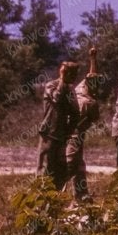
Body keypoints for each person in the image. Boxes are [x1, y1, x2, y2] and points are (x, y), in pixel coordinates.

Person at [39, 60, 82, 191]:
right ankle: (40, 202)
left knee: (61, 170)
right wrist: (63, 80)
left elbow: (75, 113)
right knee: (45, 170)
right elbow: (57, 98)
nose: (74, 78)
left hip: (61, 136)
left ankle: (54, 200)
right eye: (71, 75)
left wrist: (68, 131)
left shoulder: (70, 91)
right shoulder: (51, 85)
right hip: (49, 134)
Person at [66, 46, 103, 200]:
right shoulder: (88, 101)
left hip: (74, 133)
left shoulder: (80, 89)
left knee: (79, 166)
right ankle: (54, 193)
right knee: (70, 163)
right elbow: (95, 118)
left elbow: (92, 74)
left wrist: (93, 58)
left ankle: (81, 194)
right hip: (74, 134)